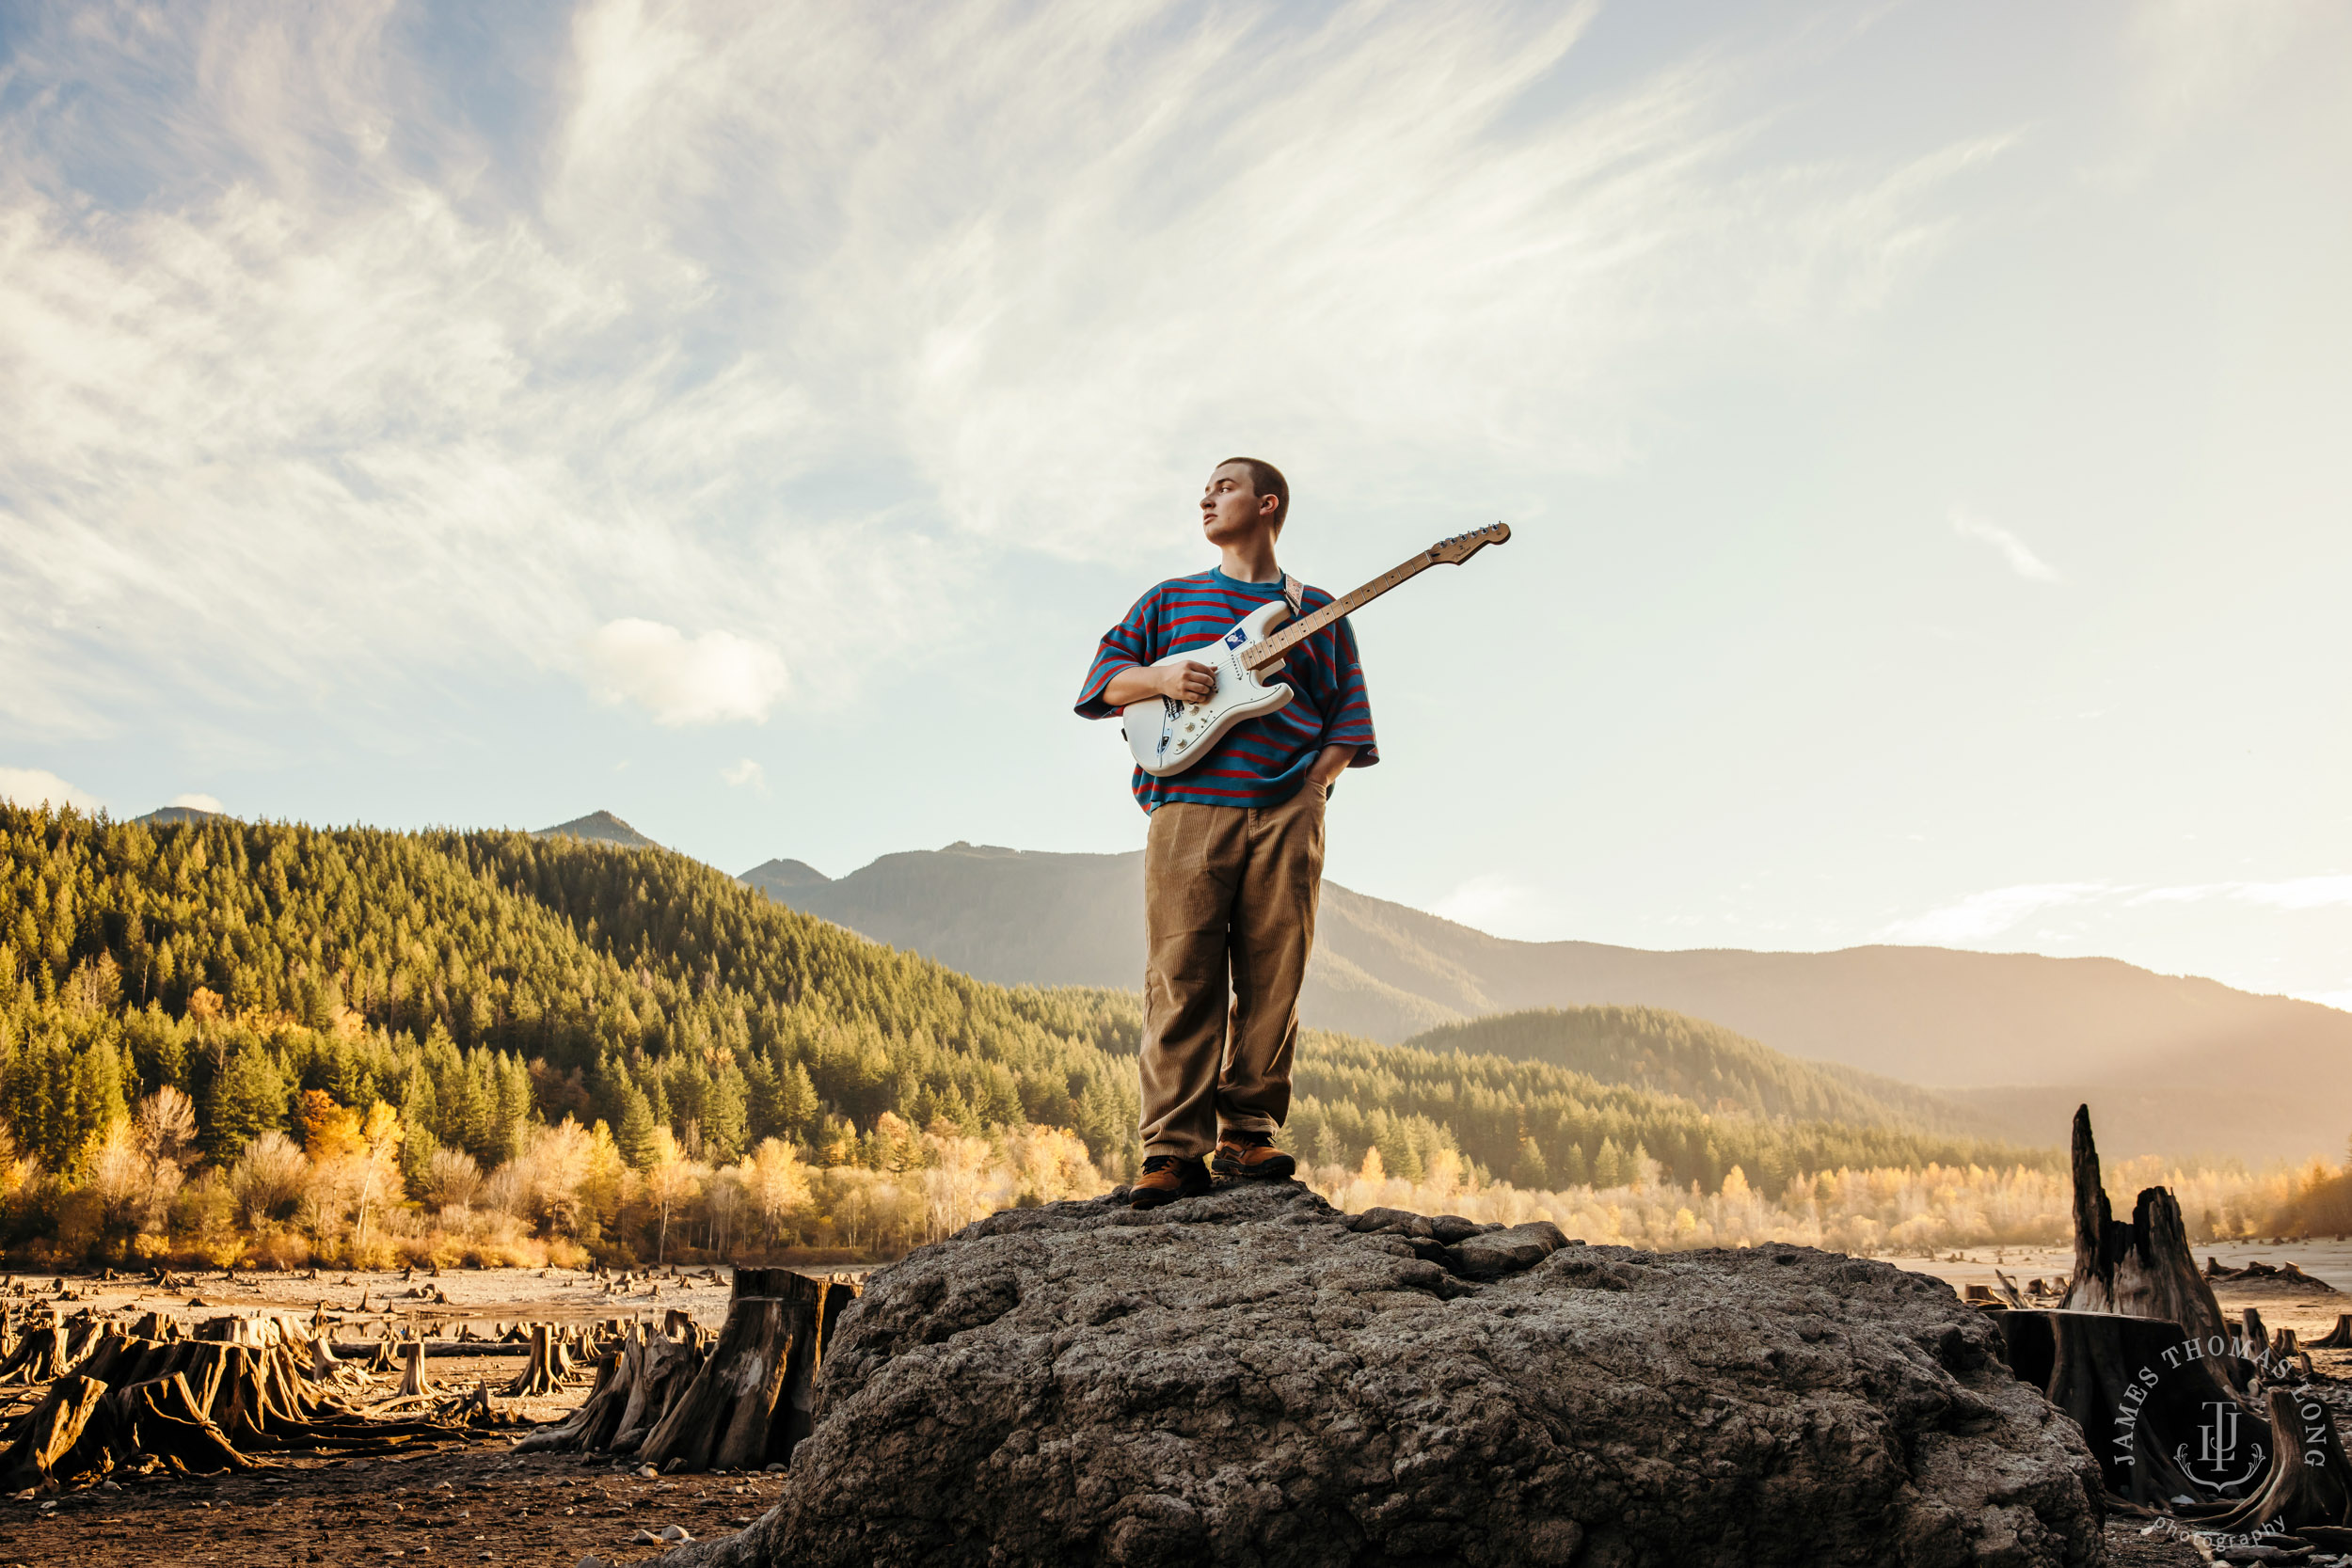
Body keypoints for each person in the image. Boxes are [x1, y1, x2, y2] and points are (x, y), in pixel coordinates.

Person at [1074, 457, 1377, 1208]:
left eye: (1226, 485)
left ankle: (1247, 1131)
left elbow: (1349, 714)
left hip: (1287, 812)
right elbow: (1104, 679)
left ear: (1268, 504)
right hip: (1187, 809)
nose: (1207, 497)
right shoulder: (1169, 601)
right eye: (1206, 489)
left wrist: (1314, 788)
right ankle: (1173, 1149)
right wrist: (1164, 676)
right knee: (1181, 974)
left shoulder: (1319, 610)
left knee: (1277, 973)